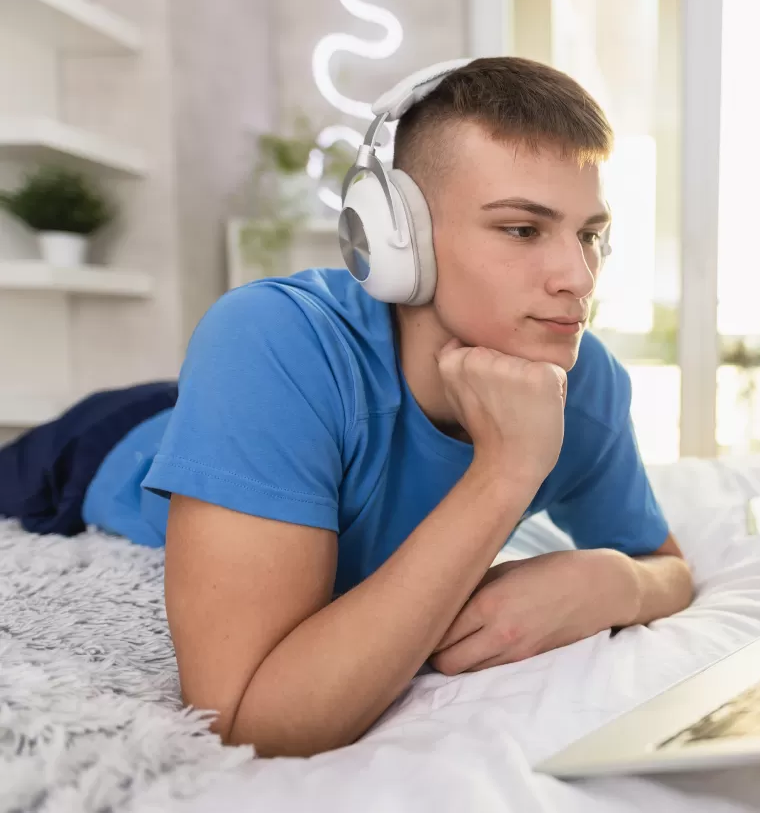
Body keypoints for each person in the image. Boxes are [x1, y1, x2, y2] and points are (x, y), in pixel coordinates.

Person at [0, 57, 693, 758]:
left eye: (589, 235)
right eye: (521, 230)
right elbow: (245, 721)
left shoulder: (584, 381)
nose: (578, 278)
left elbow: (666, 566)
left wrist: (617, 583)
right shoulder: (265, 336)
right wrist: (505, 471)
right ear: (398, 237)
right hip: (102, 448)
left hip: (272, 413)